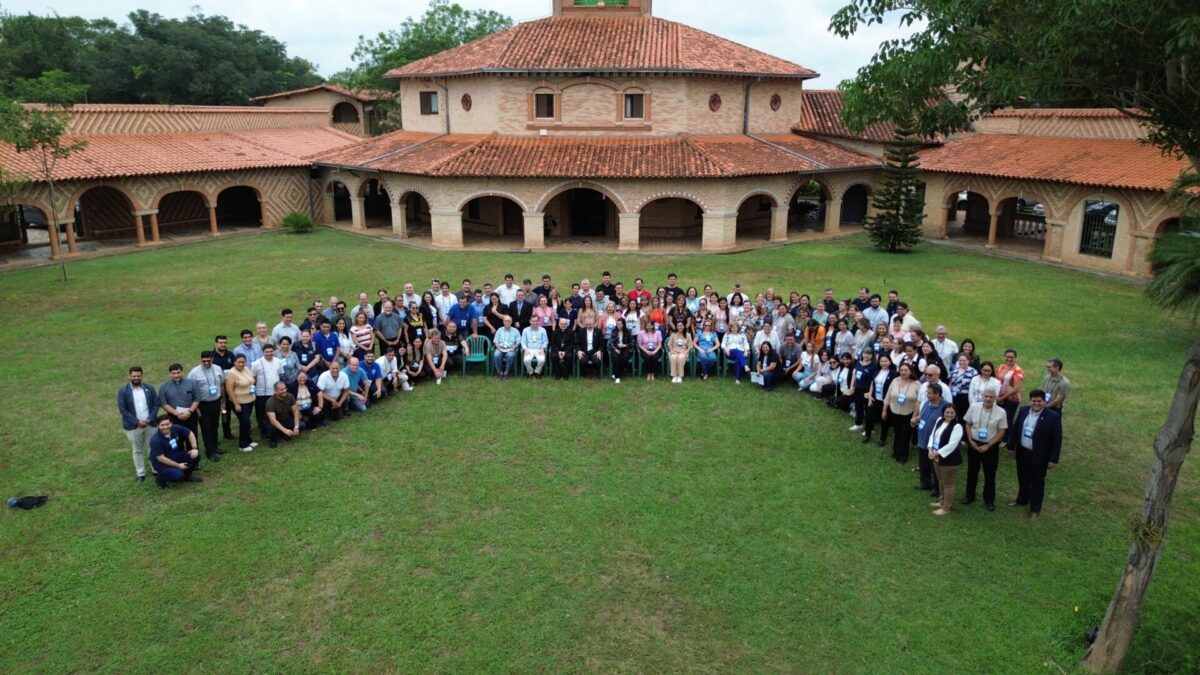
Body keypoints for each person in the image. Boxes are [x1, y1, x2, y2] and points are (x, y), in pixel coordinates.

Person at [1006, 390, 1063, 519]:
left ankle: (1035, 508)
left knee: (1037, 482)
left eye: (1039, 401)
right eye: (1033, 401)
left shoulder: (1053, 417)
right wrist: (1011, 446)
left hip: (1039, 455)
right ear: (1030, 401)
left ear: (1044, 401)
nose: (1036, 403)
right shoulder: (1023, 410)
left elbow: (1057, 439)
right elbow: (1016, 428)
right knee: (1022, 478)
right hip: (1023, 452)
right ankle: (1022, 500)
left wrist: (1053, 459)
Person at [962, 385, 1008, 511]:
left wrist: (988, 445)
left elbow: (1001, 432)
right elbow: (967, 424)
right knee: (972, 471)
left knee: (990, 474)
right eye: (986, 396)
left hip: (990, 446)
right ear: (982, 396)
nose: (988, 399)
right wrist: (971, 441)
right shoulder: (974, 407)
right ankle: (969, 496)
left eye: (991, 397)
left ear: (995, 398)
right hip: (974, 444)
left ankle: (989, 500)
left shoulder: (1001, 412)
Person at [117, 366, 159, 483]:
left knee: (153, 447)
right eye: (134, 376)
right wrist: (137, 422)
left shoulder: (149, 388)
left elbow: (156, 404)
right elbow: (123, 409)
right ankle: (141, 473)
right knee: (137, 450)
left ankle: (156, 469)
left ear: (142, 376)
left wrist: (150, 419)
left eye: (138, 376)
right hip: (133, 426)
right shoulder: (123, 391)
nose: (136, 378)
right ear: (129, 376)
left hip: (150, 424)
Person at [914, 379, 951, 494]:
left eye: (929, 393)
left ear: (937, 394)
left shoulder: (945, 407)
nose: (927, 395)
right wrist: (915, 419)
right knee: (923, 463)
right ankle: (925, 483)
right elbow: (922, 415)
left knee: (935, 466)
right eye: (927, 392)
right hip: (923, 438)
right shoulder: (926, 403)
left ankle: (937, 488)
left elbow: (949, 423)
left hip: (935, 443)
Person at [188, 351, 226, 462]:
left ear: (212, 359)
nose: (206, 363)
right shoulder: (194, 372)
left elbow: (221, 384)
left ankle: (215, 446)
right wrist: (196, 408)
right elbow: (190, 391)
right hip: (202, 404)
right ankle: (210, 452)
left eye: (208, 361)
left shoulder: (218, 368)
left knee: (215, 425)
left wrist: (223, 401)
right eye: (203, 361)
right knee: (206, 428)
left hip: (216, 401)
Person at [927, 406, 965, 516]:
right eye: (947, 412)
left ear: (956, 413)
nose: (949, 414)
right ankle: (942, 501)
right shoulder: (940, 420)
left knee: (948, 484)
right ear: (943, 412)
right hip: (936, 457)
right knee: (940, 481)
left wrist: (937, 453)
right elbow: (932, 435)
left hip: (949, 460)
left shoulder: (957, 426)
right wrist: (930, 449)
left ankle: (946, 508)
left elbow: (952, 445)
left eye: (952, 413)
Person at [148, 416, 202, 488]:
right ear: (157, 426)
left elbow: (190, 433)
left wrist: (194, 448)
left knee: (196, 456)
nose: (165, 427)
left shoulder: (175, 428)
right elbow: (161, 458)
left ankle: (186, 476)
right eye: (162, 425)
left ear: (171, 424)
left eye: (167, 424)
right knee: (178, 475)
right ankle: (160, 478)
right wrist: (178, 465)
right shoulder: (155, 440)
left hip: (174, 454)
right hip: (161, 463)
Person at [882, 363, 921, 463]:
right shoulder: (895, 381)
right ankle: (896, 451)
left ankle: (903, 455)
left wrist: (914, 416)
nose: (903, 372)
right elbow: (888, 396)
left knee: (905, 434)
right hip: (894, 411)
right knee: (897, 432)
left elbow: (919, 401)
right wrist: (884, 410)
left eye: (906, 370)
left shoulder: (916, 384)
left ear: (910, 371)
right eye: (901, 370)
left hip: (909, 413)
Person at [224, 355, 258, 452]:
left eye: (243, 362)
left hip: (250, 400)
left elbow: (251, 381)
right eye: (239, 362)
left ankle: (248, 440)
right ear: (234, 362)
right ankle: (243, 445)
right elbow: (229, 390)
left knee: (247, 422)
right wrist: (236, 404)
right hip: (239, 402)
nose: (241, 364)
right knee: (245, 422)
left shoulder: (246, 369)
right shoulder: (231, 373)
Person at [159, 363, 200, 442]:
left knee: (192, 437)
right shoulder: (164, 387)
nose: (176, 375)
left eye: (178, 372)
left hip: (191, 415)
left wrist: (189, 412)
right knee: (177, 440)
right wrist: (176, 413)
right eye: (173, 373)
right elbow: (163, 403)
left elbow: (197, 399)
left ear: (182, 372)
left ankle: (193, 450)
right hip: (174, 417)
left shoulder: (191, 383)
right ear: (170, 374)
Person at [251, 344, 283, 439]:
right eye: (267, 352)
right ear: (263, 352)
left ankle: (276, 430)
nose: (269, 353)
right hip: (262, 393)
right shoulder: (256, 363)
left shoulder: (278, 361)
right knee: (262, 414)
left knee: (276, 412)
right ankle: (264, 432)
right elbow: (253, 377)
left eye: (271, 351)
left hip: (275, 393)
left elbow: (280, 374)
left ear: (274, 352)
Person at [863, 354, 896, 445]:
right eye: (881, 361)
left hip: (885, 401)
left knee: (884, 419)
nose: (883, 363)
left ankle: (882, 439)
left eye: (886, 361)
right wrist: (870, 396)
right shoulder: (877, 370)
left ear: (890, 362)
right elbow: (872, 383)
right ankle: (867, 434)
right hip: (874, 399)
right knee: (869, 417)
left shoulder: (893, 374)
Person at [210, 335, 236, 442]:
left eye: (225, 342)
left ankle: (227, 432)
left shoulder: (230, 355)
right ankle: (214, 436)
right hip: (216, 389)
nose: (223, 344)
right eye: (221, 343)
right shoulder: (211, 356)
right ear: (216, 343)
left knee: (226, 411)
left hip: (229, 387)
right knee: (215, 414)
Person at [265, 381, 303, 448]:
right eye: (281, 389)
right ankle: (273, 440)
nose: (284, 391)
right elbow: (273, 420)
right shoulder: (270, 402)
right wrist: (285, 430)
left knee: (302, 425)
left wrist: (296, 427)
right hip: (274, 421)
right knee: (271, 428)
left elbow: (296, 411)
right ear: (275, 391)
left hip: (285, 419)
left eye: (285, 388)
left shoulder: (290, 396)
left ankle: (285, 434)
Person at [850, 350, 879, 431]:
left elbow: (874, 380)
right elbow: (854, 375)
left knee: (868, 410)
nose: (866, 355)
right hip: (858, 389)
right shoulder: (859, 362)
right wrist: (852, 386)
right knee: (858, 407)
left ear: (872, 356)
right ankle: (858, 424)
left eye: (869, 354)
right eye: (865, 353)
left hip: (867, 391)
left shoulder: (874, 366)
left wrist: (870, 392)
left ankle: (870, 429)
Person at [996, 349, 1025, 425]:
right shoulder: (1001, 367)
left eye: (1011, 357)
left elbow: (1016, 388)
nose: (1009, 359)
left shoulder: (1018, 370)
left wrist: (1002, 398)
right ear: (1004, 357)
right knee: (998, 418)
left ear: (1015, 358)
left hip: (1011, 399)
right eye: (1007, 357)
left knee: (1007, 420)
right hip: (999, 397)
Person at [949, 354, 980, 420]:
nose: (962, 362)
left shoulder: (973, 371)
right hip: (955, 396)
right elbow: (951, 383)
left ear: (968, 361)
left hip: (966, 396)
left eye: (964, 361)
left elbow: (975, 385)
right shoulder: (954, 371)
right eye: (960, 361)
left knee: (964, 415)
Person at [492, 314, 520, 379]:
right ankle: (500, 372)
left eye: (509, 321)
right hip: (500, 348)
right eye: (506, 321)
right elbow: (495, 341)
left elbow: (518, 342)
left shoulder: (515, 331)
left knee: (510, 355)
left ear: (511, 322)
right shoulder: (499, 330)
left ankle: (506, 372)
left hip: (510, 349)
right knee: (496, 355)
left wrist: (514, 348)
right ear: (503, 322)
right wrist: (499, 348)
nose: (507, 322)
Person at [608, 320, 633, 384]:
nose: (618, 326)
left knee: (623, 358)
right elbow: (610, 343)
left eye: (620, 324)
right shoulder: (614, 331)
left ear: (623, 324)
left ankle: (616, 374)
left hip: (626, 349)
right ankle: (618, 377)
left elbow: (632, 343)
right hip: (616, 348)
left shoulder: (628, 331)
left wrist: (625, 345)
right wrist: (615, 349)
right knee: (615, 357)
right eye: (617, 324)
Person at [638, 316, 663, 382]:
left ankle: (653, 374)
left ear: (653, 326)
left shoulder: (658, 333)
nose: (648, 327)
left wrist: (655, 351)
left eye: (650, 326)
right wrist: (646, 351)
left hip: (656, 349)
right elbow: (640, 344)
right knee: (647, 358)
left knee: (654, 358)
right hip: (645, 349)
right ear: (645, 326)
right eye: (647, 326)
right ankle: (648, 373)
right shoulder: (641, 333)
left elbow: (660, 344)